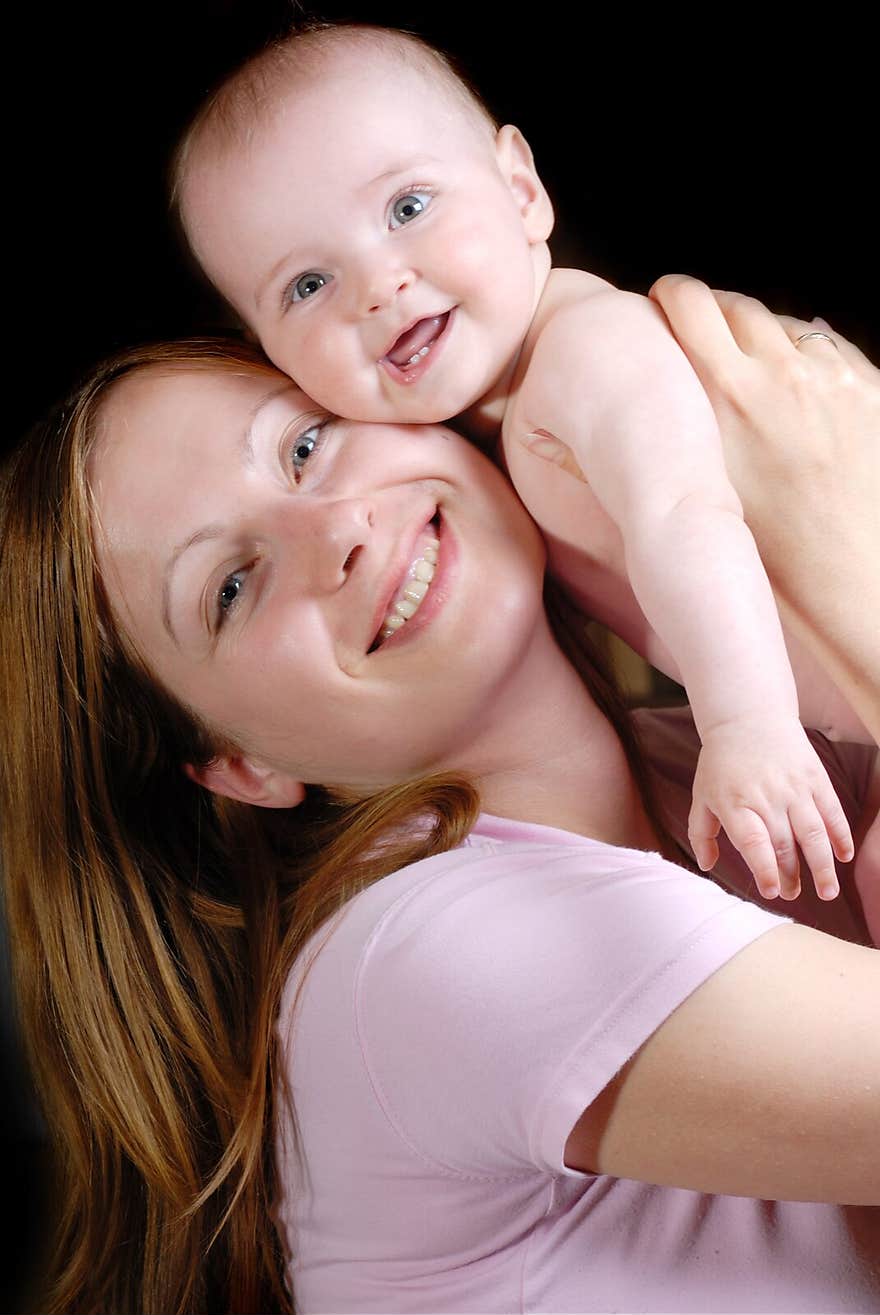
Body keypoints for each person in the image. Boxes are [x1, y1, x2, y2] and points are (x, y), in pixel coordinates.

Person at [2, 285, 880, 1315]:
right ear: (239, 765)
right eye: (232, 585)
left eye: (304, 446)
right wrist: (841, 545)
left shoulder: (714, 758)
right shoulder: (412, 958)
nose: (335, 532)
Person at [173, 19, 866, 908]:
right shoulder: (493, 437)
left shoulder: (584, 350)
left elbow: (686, 514)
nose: (380, 285)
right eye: (309, 284)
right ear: (270, 352)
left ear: (522, 188)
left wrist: (748, 727)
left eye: (407, 208)